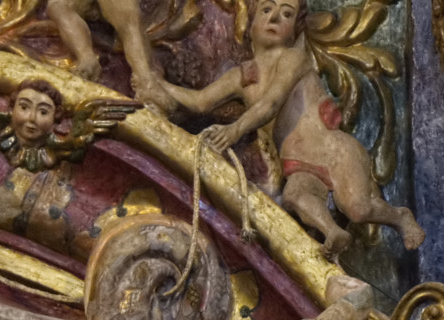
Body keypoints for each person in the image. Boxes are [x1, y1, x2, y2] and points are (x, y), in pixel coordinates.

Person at [159, 0, 423, 255]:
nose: (275, 18)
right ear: (249, 24)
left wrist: (235, 130)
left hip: (333, 150)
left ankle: (399, 216)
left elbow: (272, 103)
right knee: (295, 195)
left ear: (295, 29)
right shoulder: (244, 75)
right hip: (297, 163)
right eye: (266, 10)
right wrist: (157, 84)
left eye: (286, 14)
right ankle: (332, 232)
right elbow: (201, 101)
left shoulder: (292, 59)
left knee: (359, 209)